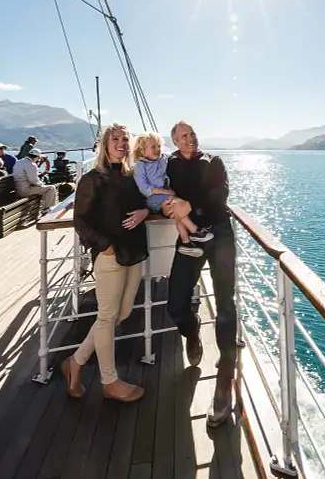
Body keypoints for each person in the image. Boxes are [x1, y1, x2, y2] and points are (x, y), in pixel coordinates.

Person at [62, 123, 150, 403]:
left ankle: (74, 362)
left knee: (119, 315)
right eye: (116, 139)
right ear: (105, 144)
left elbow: (146, 202)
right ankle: (109, 381)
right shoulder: (93, 179)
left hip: (134, 253)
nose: (122, 143)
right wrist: (105, 247)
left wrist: (145, 211)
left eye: (125, 139)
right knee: (107, 316)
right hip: (111, 256)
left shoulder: (132, 175)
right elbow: (81, 222)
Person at [163, 120, 237, 427]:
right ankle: (192, 333)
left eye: (192, 134)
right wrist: (166, 207)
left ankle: (224, 381)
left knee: (224, 305)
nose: (190, 139)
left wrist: (188, 205)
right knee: (176, 303)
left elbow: (221, 194)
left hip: (219, 234)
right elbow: (159, 193)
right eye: (183, 136)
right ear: (175, 142)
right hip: (190, 238)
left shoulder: (214, 161)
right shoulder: (169, 165)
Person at [131, 132, 212, 257]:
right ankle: (195, 230)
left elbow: (177, 160)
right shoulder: (140, 166)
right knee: (175, 204)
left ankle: (186, 243)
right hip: (152, 199)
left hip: (167, 196)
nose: (157, 149)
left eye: (159, 146)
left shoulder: (163, 159)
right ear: (142, 150)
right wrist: (164, 191)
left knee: (177, 212)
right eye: (153, 147)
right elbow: (144, 189)